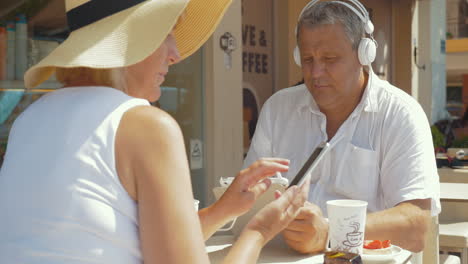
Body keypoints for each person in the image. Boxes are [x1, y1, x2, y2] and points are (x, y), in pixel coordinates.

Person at [0, 0, 310, 263]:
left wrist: (222, 210)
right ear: (129, 39)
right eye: (168, 32)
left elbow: (111, 237)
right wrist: (259, 231)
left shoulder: (30, 120)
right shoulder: (146, 126)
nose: (176, 54)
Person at [244, 0, 441, 254]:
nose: (316, 72)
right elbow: (248, 201)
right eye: (307, 59)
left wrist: (329, 232)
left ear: (364, 54)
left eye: (330, 59)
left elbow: (416, 227)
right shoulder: (278, 109)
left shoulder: (400, 114)